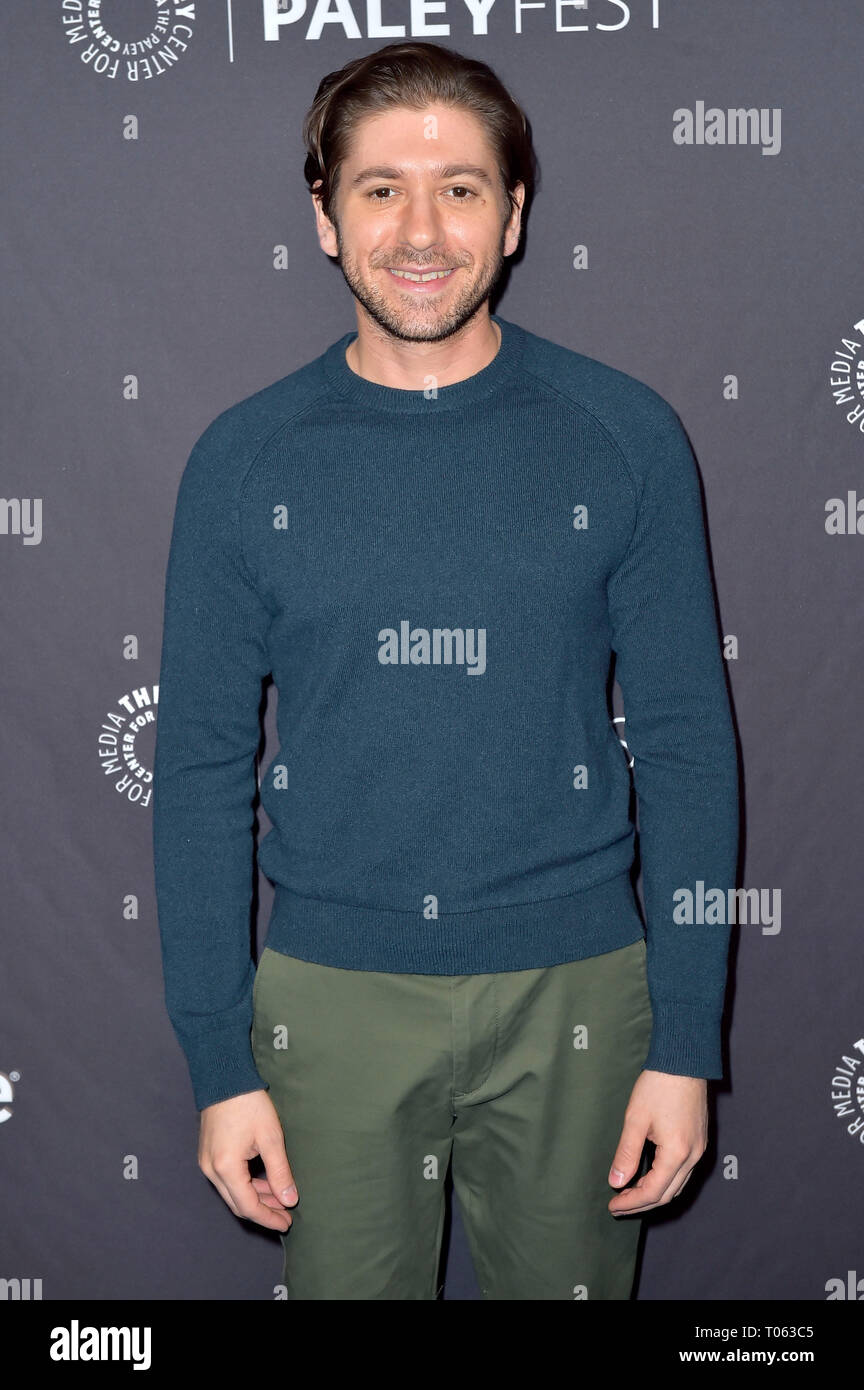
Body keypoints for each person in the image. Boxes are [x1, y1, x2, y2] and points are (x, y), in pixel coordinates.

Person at [153, 40, 739, 1301]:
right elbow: (198, 771)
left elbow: (687, 742)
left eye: (462, 188)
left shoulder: (625, 435)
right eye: (379, 190)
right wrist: (219, 1058)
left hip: (583, 987)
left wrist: (687, 1037)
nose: (422, 230)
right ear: (324, 218)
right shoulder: (243, 460)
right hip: (331, 1002)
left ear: (516, 214)